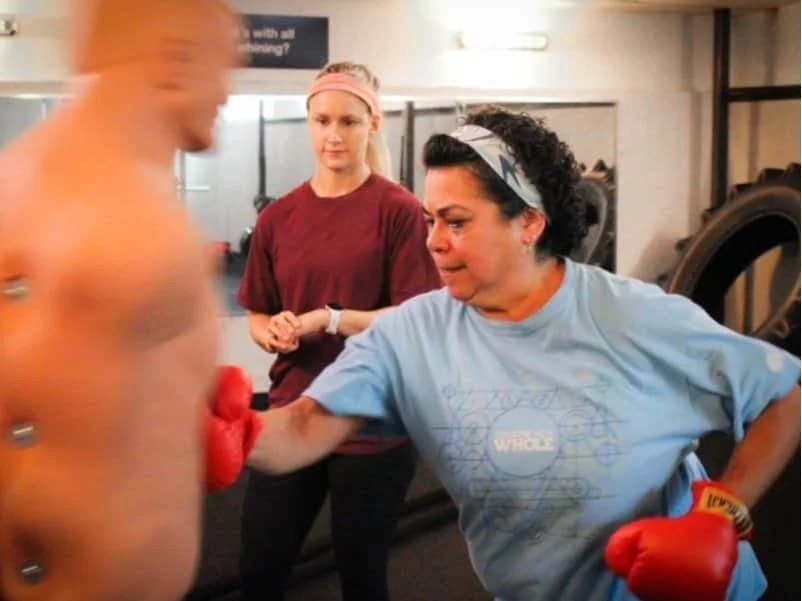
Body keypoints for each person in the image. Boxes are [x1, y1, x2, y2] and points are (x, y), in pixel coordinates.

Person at [240, 105, 801, 601]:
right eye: (430, 220)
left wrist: (722, 515)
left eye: (456, 222)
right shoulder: (412, 334)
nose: (432, 240)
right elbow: (305, 426)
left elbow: (786, 397)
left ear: (529, 222)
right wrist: (230, 429)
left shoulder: (631, 316)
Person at [0, 1, 259, 600]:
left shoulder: (39, 184)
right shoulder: (128, 226)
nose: (226, 91)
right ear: (175, 58)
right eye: (223, 66)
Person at [236, 61, 441, 601]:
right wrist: (273, 331)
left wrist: (329, 318)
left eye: (348, 121)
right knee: (259, 571)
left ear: (372, 123)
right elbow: (258, 312)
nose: (333, 134)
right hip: (292, 408)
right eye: (322, 120)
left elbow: (414, 315)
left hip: (371, 419)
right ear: (308, 123)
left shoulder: (399, 211)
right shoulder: (278, 217)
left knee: (362, 578)